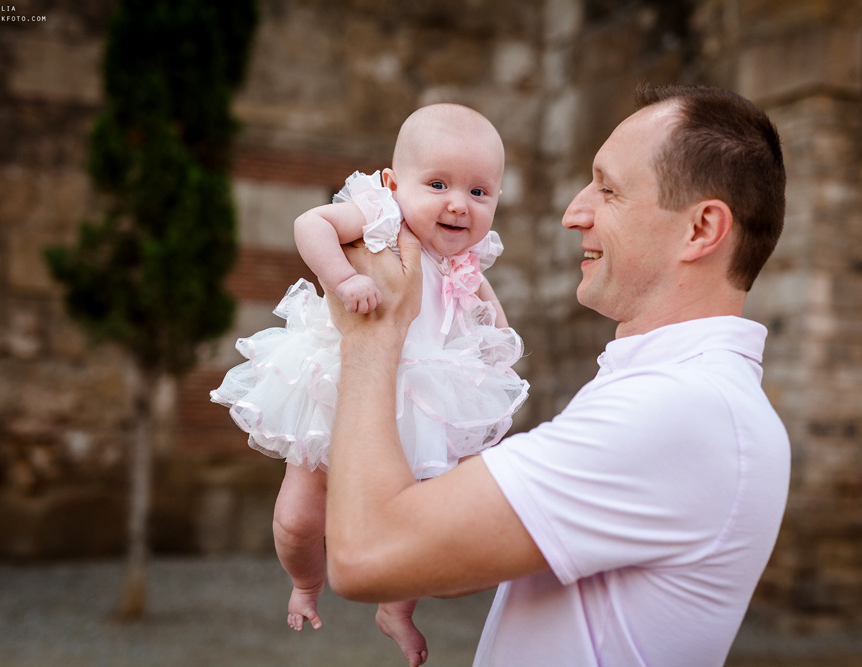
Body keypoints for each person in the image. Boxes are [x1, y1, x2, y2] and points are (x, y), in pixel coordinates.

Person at [322, 83, 792, 667]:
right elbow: (448, 566)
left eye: (609, 190)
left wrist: (373, 335)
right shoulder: (679, 394)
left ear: (700, 230)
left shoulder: (680, 410)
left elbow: (366, 554)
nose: (575, 213)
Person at [210, 103, 529, 666]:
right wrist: (344, 278)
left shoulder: (468, 255)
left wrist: (500, 336)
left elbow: (483, 300)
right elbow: (311, 225)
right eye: (438, 184)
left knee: (410, 524)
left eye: (480, 192)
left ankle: (397, 611)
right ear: (392, 181)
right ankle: (306, 583)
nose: (459, 203)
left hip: (427, 401)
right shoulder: (382, 217)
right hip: (340, 385)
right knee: (298, 517)